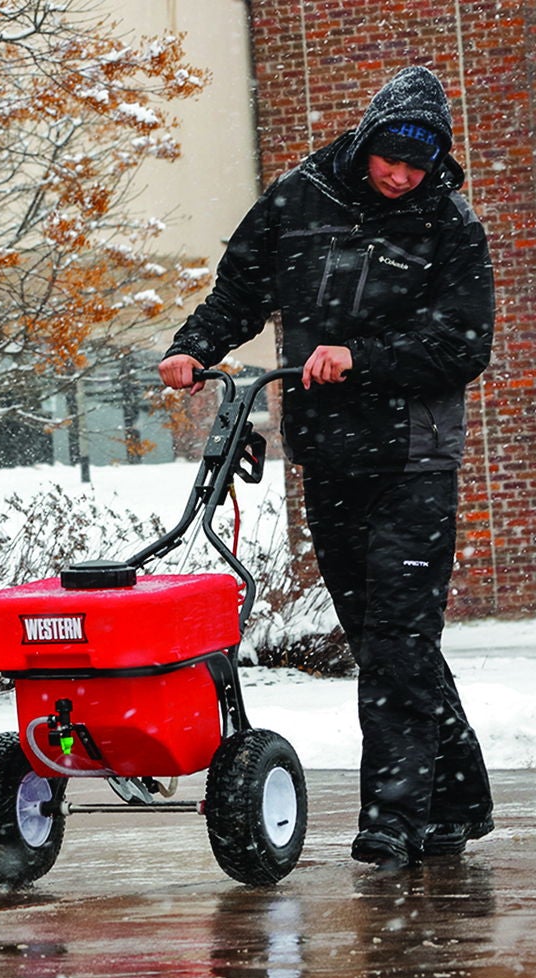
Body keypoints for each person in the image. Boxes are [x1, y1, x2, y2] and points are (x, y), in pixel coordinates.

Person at [160, 66, 494, 870]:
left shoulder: (450, 225)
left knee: (399, 639)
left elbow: (462, 345)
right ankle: (461, 798)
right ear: (369, 139)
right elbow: (239, 289)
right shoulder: (298, 198)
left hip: (413, 456)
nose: (401, 176)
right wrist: (193, 346)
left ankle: (395, 816)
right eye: (391, 158)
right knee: (378, 640)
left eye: (418, 165)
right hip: (331, 457)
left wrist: (363, 358)